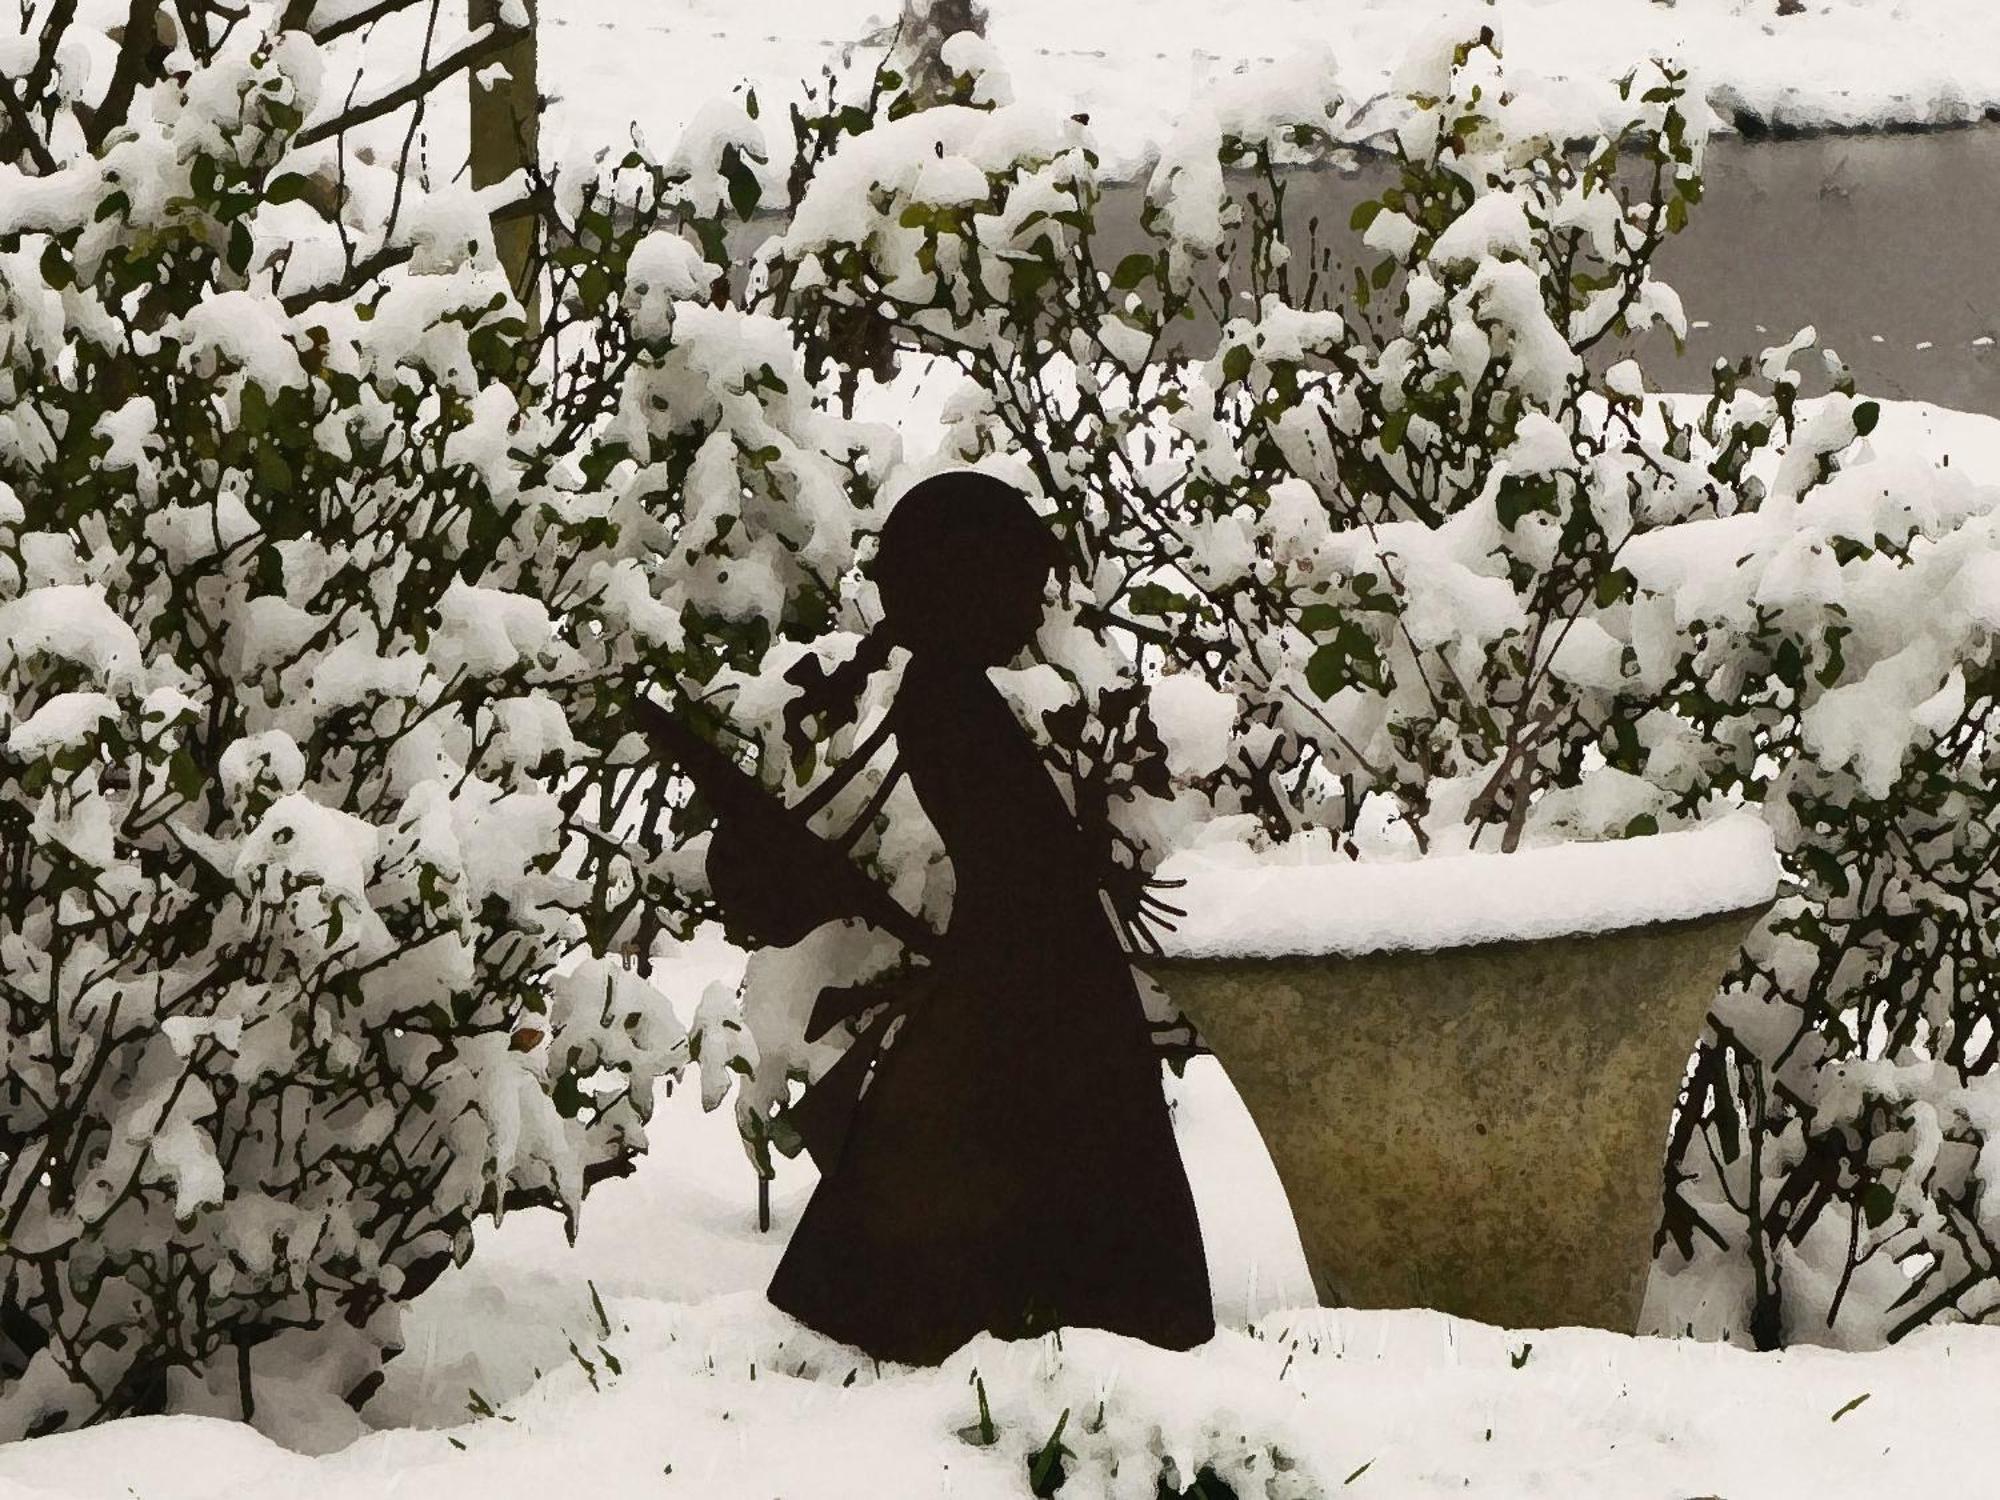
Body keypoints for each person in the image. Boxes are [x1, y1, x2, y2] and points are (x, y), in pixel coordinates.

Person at [764, 469, 1215, 1364]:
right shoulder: (948, 702)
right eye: (1018, 587)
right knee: (1018, 1143)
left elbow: (1025, 844)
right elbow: (1013, 851)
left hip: (1030, 964)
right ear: (963, 591)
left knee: (987, 1143)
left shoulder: (950, 697)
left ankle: (1003, 1305)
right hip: (1026, 970)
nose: (1031, 609)